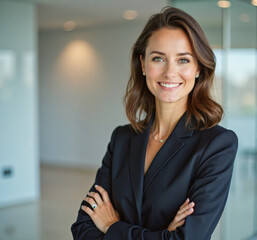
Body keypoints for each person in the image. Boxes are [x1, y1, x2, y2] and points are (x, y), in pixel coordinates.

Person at [71, 6, 238, 240]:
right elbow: (82, 228)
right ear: (143, 64)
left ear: (198, 67)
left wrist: (111, 226)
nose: (170, 72)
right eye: (158, 58)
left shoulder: (217, 144)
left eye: (183, 60)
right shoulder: (121, 139)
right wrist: (161, 235)